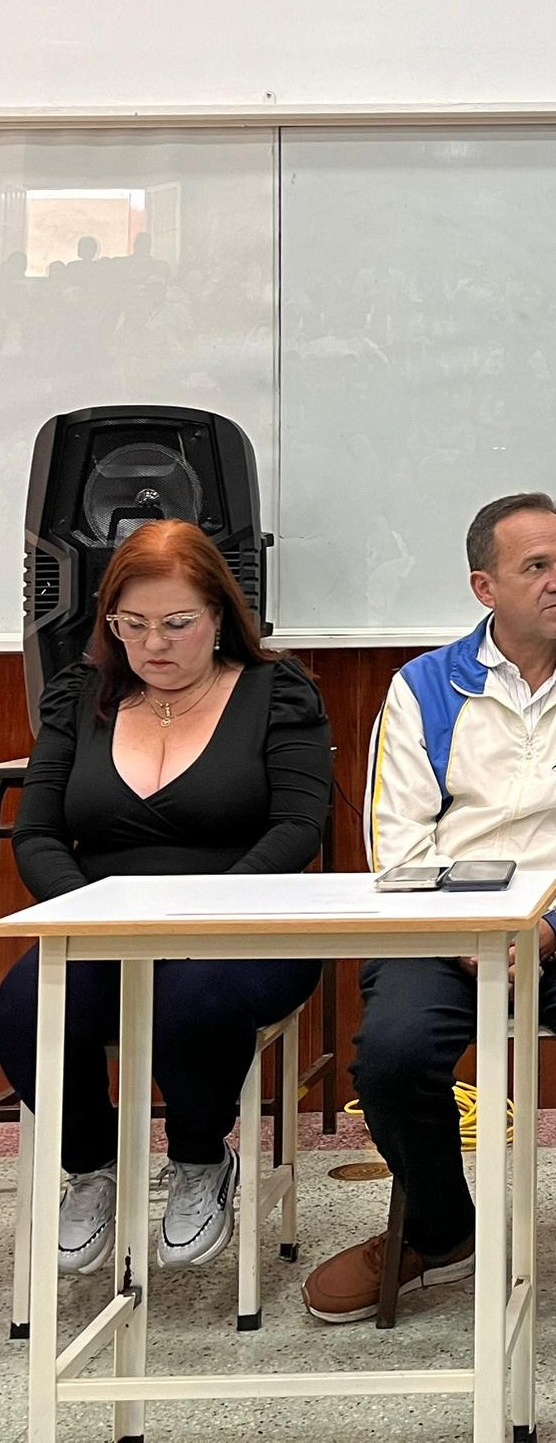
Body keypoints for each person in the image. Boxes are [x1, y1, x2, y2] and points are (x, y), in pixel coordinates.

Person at [301, 492, 556, 1321]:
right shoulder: (422, 688)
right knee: (394, 1055)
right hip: (444, 924)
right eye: (537, 566)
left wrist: (550, 925)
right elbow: (398, 845)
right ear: (485, 586)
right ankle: (437, 1228)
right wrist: (469, 932)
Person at [0, 520, 330, 1273]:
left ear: (220, 615)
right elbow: (38, 833)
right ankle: (90, 1166)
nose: (153, 643)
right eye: (132, 625)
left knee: (192, 996)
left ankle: (198, 1158)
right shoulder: (79, 698)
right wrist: (92, 914)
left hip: (248, 922)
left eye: (177, 623)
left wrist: (203, 914)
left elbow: (296, 828)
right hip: (107, 921)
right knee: (24, 1006)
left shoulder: (277, 691)